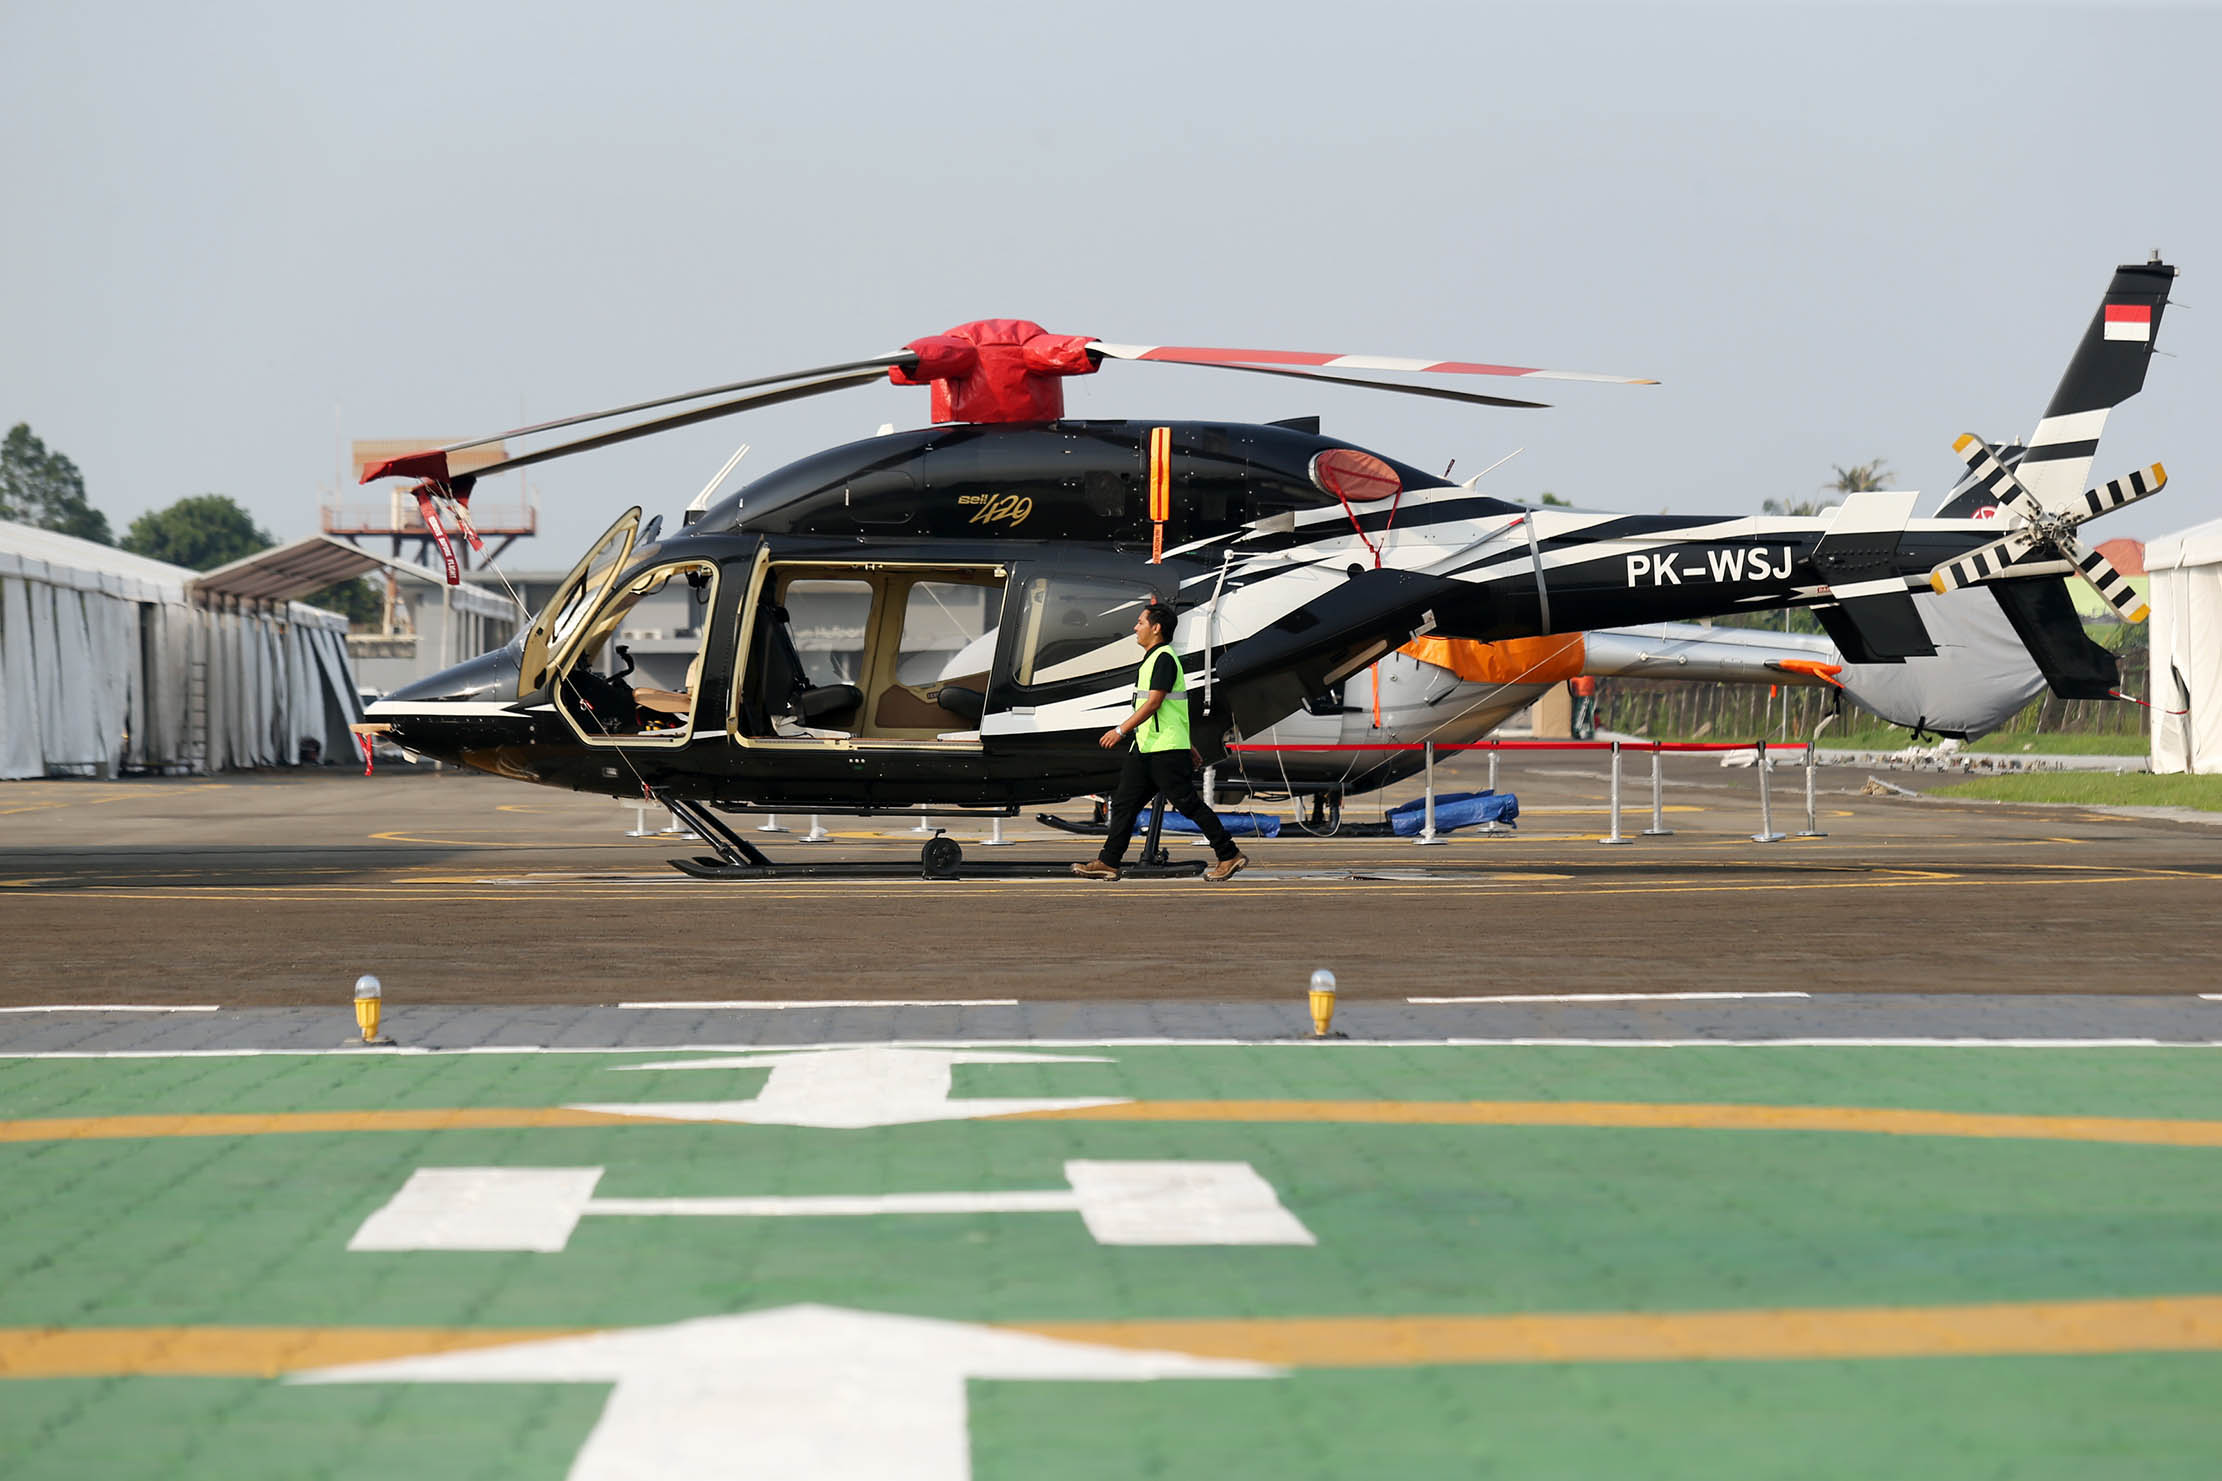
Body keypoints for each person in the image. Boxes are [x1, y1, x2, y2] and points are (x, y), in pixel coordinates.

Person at [1073, 601, 1248, 882]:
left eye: (1140, 622)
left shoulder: (1164, 658)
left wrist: (1120, 730)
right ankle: (1109, 862)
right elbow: (1172, 709)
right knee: (1124, 804)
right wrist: (1187, 744)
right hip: (1147, 747)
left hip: (1163, 750)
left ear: (1156, 628)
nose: (1135, 627)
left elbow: (1154, 703)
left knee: (1187, 804)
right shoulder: (1153, 658)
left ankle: (1229, 854)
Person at [1569, 674, 1598, 741]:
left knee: (1583, 713)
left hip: (1583, 690)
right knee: (1583, 713)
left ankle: (1581, 731)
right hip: (1584, 691)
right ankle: (1578, 730)